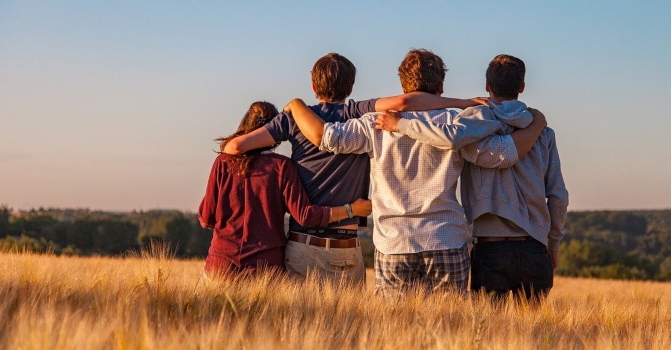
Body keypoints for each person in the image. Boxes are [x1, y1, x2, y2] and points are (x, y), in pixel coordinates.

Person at [283, 49, 547, 296]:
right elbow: (502, 154)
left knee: (393, 331)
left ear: (402, 86)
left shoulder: (374, 123)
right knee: (449, 332)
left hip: (394, 242)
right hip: (445, 239)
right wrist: (537, 124)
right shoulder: (457, 124)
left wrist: (296, 105)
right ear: (441, 87)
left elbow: (327, 138)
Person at [222, 53, 484, 284]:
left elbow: (234, 148)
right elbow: (405, 103)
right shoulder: (358, 112)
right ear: (351, 86)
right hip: (346, 246)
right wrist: (463, 103)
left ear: (314, 86)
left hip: (303, 243)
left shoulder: (293, 119)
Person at [376, 54, 568, 302]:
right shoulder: (543, 132)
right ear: (522, 87)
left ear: (487, 86)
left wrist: (401, 124)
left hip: (490, 249)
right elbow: (558, 195)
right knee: (533, 336)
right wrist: (553, 244)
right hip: (535, 248)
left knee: (487, 334)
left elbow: (449, 138)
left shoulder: (471, 125)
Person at [198, 101, 372, 279]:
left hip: (220, 265)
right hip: (265, 269)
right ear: (276, 131)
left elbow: (206, 218)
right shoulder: (282, 166)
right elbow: (305, 216)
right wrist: (351, 210)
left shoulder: (223, 162)